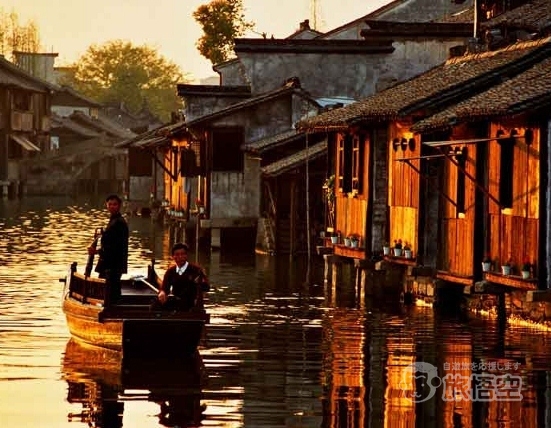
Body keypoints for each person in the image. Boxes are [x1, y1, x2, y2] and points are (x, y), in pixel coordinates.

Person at [88, 194, 129, 305]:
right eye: (110, 204)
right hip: (110, 262)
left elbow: (116, 247)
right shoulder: (113, 221)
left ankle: (112, 313)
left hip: (113, 264)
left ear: (119, 206)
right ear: (106, 205)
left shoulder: (119, 222)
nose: (112, 206)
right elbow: (110, 240)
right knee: (110, 289)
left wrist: (96, 251)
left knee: (110, 290)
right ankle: (111, 310)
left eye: (114, 204)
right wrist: (103, 234)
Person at [157, 242, 209, 311]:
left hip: (191, 303)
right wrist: (162, 293)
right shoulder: (170, 272)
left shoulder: (196, 270)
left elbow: (207, 287)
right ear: (173, 256)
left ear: (186, 255)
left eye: (183, 254)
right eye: (177, 255)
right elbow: (165, 288)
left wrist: (200, 283)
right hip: (176, 301)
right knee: (155, 305)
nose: (180, 257)